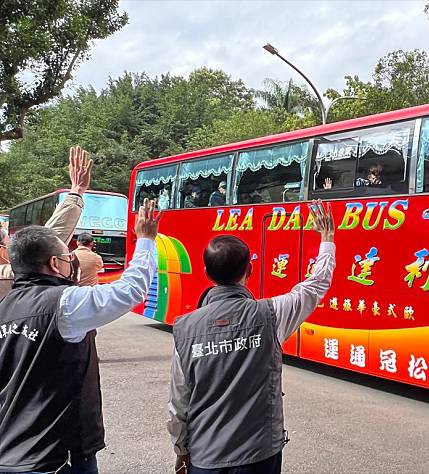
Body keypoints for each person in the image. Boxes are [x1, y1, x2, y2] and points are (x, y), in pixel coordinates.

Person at [168, 200, 336, 474]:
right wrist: (327, 239)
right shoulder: (271, 315)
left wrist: (182, 450)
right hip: (260, 457)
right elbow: (316, 284)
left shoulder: (185, 328)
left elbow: (178, 402)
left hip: (205, 458)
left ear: (207, 274)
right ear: (249, 271)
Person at [0, 199, 160, 474]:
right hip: (56, 457)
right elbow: (131, 290)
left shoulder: (5, 306)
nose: (70, 262)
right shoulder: (64, 304)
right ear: (54, 263)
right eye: (67, 258)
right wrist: (145, 240)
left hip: (9, 451)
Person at [0, 147, 88, 298]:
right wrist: (77, 190)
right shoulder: (12, 279)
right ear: (1, 250)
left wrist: (76, 192)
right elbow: (46, 244)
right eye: (8, 245)